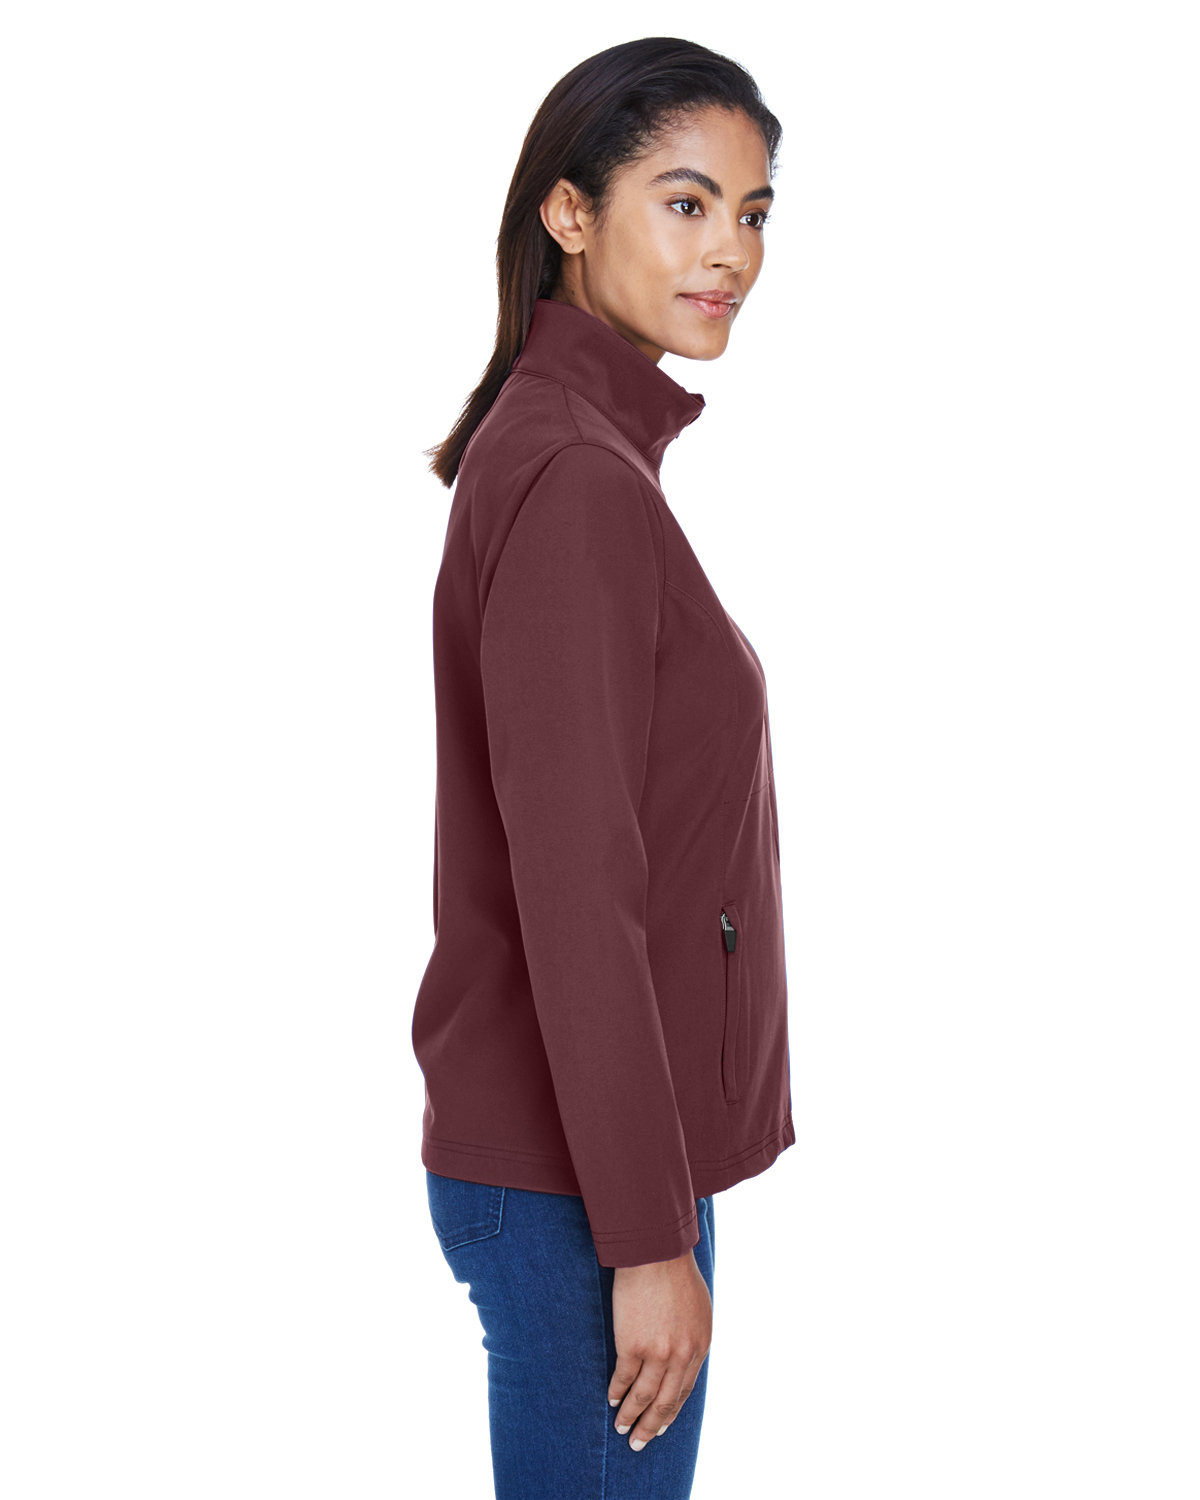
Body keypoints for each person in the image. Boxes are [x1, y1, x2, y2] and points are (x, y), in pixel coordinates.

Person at [412, 36, 793, 1499]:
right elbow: (577, 891)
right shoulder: (574, 476)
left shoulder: (577, 451)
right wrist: (647, 1237)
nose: (730, 252)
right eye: (685, 204)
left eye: (752, 213)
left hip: (599, 1165)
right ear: (569, 214)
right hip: (582, 1188)